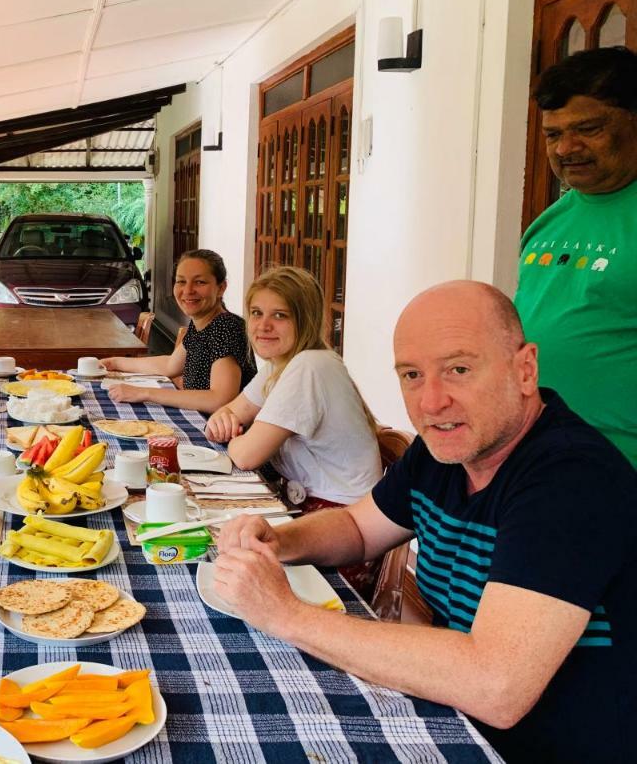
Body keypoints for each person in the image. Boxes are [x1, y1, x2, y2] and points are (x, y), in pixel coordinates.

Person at [212, 281, 637, 763]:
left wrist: (284, 613)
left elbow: (495, 684)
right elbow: (357, 529)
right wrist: (279, 540)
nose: (432, 402)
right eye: (412, 375)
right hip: (451, 718)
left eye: (458, 369)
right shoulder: (446, 450)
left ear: (525, 369)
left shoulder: (571, 479)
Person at [514, 46, 637, 465]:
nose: (567, 148)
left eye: (588, 128)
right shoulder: (550, 221)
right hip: (538, 457)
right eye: (553, 134)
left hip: (621, 467)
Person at [204, 266, 381, 508]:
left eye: (280, 315)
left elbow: (246, 456)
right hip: (306, 501)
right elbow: (229, 413)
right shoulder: (280, 366)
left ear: (306, 320)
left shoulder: (310, 366)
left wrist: (235, 436)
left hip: (340, 516)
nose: (263, 326)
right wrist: (224, 421)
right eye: (257, 313)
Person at [102, 249, 256, 413]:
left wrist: (143, 393)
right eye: (181, 281)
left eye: (200, 282)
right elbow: (169, 365)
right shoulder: (201, 325)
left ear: (221, 288)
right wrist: (114, 363)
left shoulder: (227, 327)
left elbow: (219, 399)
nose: (188, 290)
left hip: (222, 433)